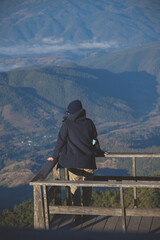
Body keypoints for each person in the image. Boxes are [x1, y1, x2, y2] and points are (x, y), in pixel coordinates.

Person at [47, 100, 108, 221]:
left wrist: (54, 156)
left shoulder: (67, 124)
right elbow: (93, 141)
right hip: (88, 162)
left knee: (74, 189)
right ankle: (86, 213)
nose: (68, 114)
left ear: (72, 112)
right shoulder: (89, 123)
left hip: (73, 163)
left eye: (68, 111)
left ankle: (77, 214)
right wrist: (99, 151)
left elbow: (60, 141)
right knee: (87, 189)